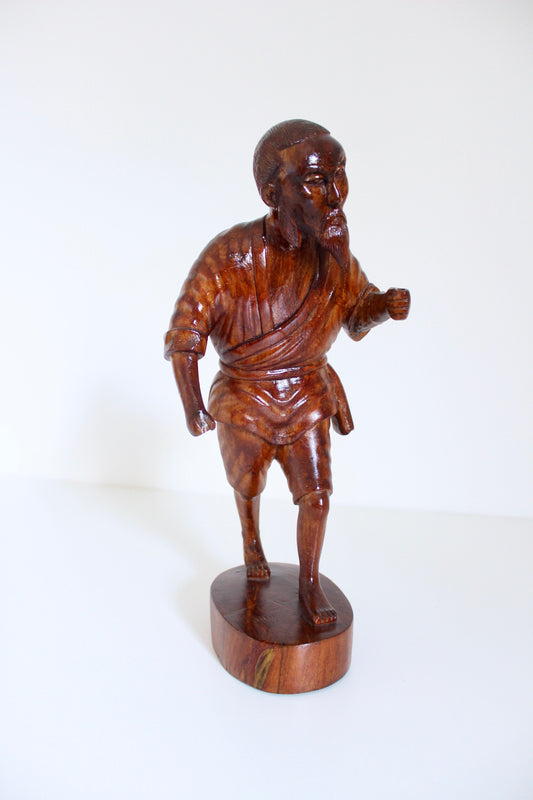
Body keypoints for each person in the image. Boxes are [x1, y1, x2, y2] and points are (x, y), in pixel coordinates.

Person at [165, 119, 410, 625]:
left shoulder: (335, 256)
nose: (335, 196)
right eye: (316, 181)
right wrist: (193, 406)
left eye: (339, 176)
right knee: (247, 485)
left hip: (308, 393)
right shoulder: (229, 255)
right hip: (245, 396)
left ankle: (309, 583)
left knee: (317, 496)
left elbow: (355, 313)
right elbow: (186, 332)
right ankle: (251, 540)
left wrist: (383, 306)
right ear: (272, 193)